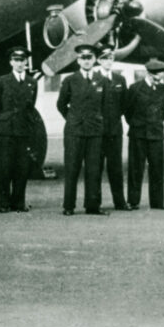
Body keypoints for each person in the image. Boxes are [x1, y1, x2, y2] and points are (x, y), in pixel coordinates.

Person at [57, 44, 107, 216]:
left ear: (94, 60)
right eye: (83, 58)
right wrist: (73, 119)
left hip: (94, 131)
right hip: (75, 132)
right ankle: (69, 206)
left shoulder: (102, 80)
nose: (86, 61)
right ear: (78, 60)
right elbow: (61, 104)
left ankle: (92, 205)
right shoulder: (70, 80)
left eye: (90, 58)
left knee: (94, 169)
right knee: (72, 169)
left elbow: (106, 106)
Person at [0, 47, 38, 213]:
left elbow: (31, 106)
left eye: (22, 60)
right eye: (16, 60)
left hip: (23, 130)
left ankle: (18, 202)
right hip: (6, 130)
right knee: (4, 168)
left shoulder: (32, 82)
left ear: (26, 62)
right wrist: (0, 125)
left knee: (22, 168)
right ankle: (3, 203)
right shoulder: (2, 81)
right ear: (11, 62)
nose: (19, 63)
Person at [125, 59, 164, 210]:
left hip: (156, 134)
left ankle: (157, 202)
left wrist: (154, 124)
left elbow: (163, 111)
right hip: (138, 134)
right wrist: (137, 125)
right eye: (161, 73)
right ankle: (133, 200)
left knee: (157, 169)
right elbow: (128, 111)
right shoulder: (135, 88)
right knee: (135, 168)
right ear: (151, 74)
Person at [96, 44, 129, 211]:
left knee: (116, 168)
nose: (108, 61)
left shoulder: (120, 80)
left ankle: (120, 202)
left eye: (110, 58)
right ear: (99, 60)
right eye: (104, 58)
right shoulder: (93, 78)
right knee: (96, 167)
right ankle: (95, 202)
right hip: (97, 132)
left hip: (115, 131)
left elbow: (125, 104)